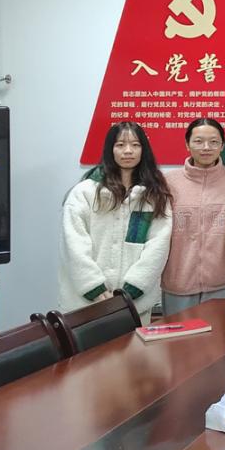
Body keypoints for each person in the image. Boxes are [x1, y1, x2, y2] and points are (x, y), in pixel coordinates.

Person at [60, 121, 172, 324]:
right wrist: (94, 287)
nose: (128, 151)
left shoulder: (154, 194)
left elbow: (158, 245)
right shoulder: (84, 192)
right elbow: (74, 243)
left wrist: (132, 289)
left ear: (143, 150)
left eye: (135, 145)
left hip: (135, 305)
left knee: (135, 346)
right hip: (86, 305)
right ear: (110, 149)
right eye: (120, 145)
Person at [161, 118, 225, 316]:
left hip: (224, 282)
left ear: (222, 146)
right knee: (179, 335)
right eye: (198, 141)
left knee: (223, 334)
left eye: (213, 142)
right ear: (187, 144)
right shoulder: (167, 182)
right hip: (178, 283)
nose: (206, 147)